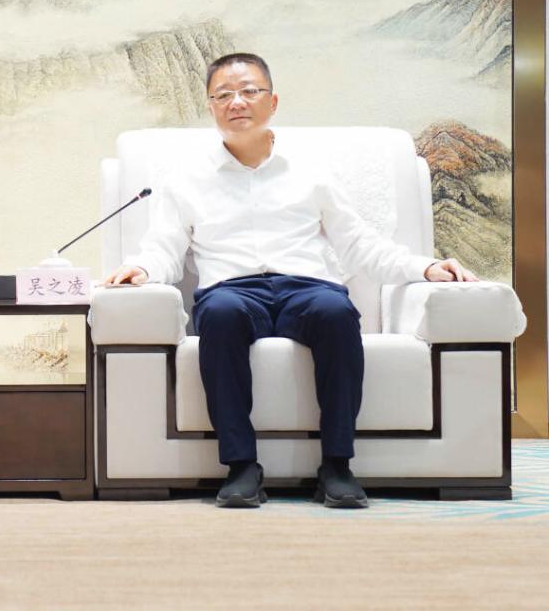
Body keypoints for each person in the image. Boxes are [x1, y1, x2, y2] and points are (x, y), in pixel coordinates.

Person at [104, 53, 476, 509]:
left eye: (249, 91)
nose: (236, 102)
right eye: (223, 95)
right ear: (211, 106)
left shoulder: (311, 172)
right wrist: (141, 270)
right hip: (232, 291)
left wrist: (424, 268)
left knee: (336, 312)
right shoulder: (186, 181)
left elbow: (359, 244)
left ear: (272, 101)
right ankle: (242, 467)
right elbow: (164, 248)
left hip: (308, 287)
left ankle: (337, 465)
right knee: (218, 314)